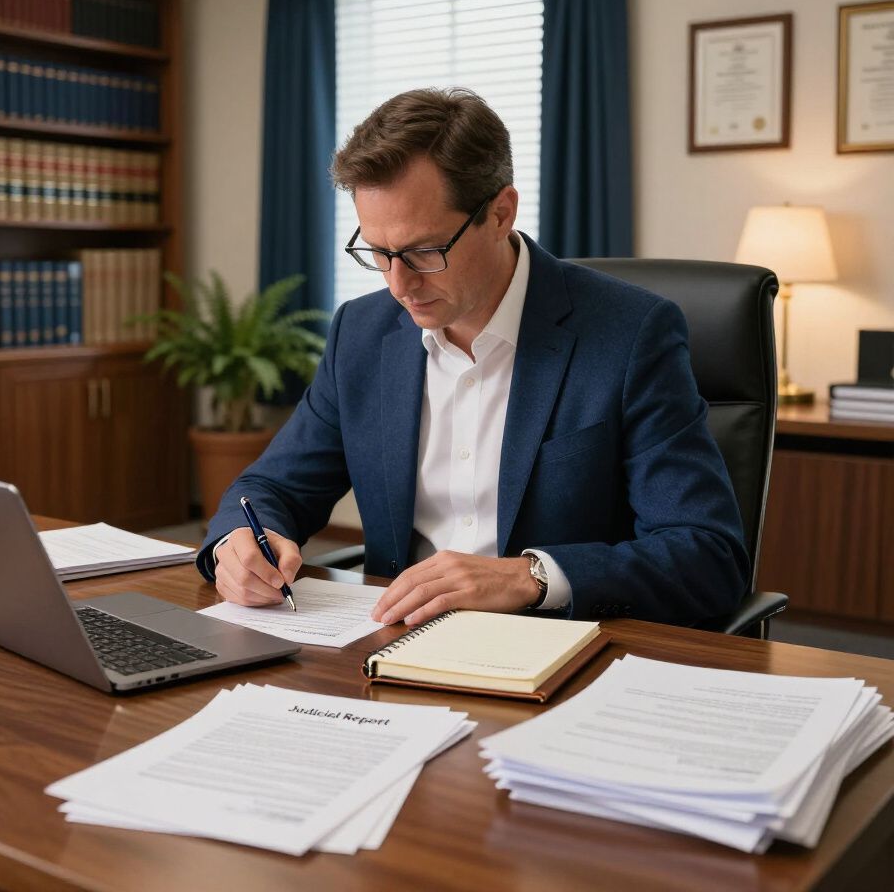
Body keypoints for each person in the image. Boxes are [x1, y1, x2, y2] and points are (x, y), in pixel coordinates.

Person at [197, 88, 748, 628]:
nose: (398, 284)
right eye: (378, 252)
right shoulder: (361, 333)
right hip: (388, 646)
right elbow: (271, 489)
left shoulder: (630, 335)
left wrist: (529, 577)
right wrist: (238, 546)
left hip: (557, 655)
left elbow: (707, 553)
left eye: (422, 251)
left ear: (501, 213)